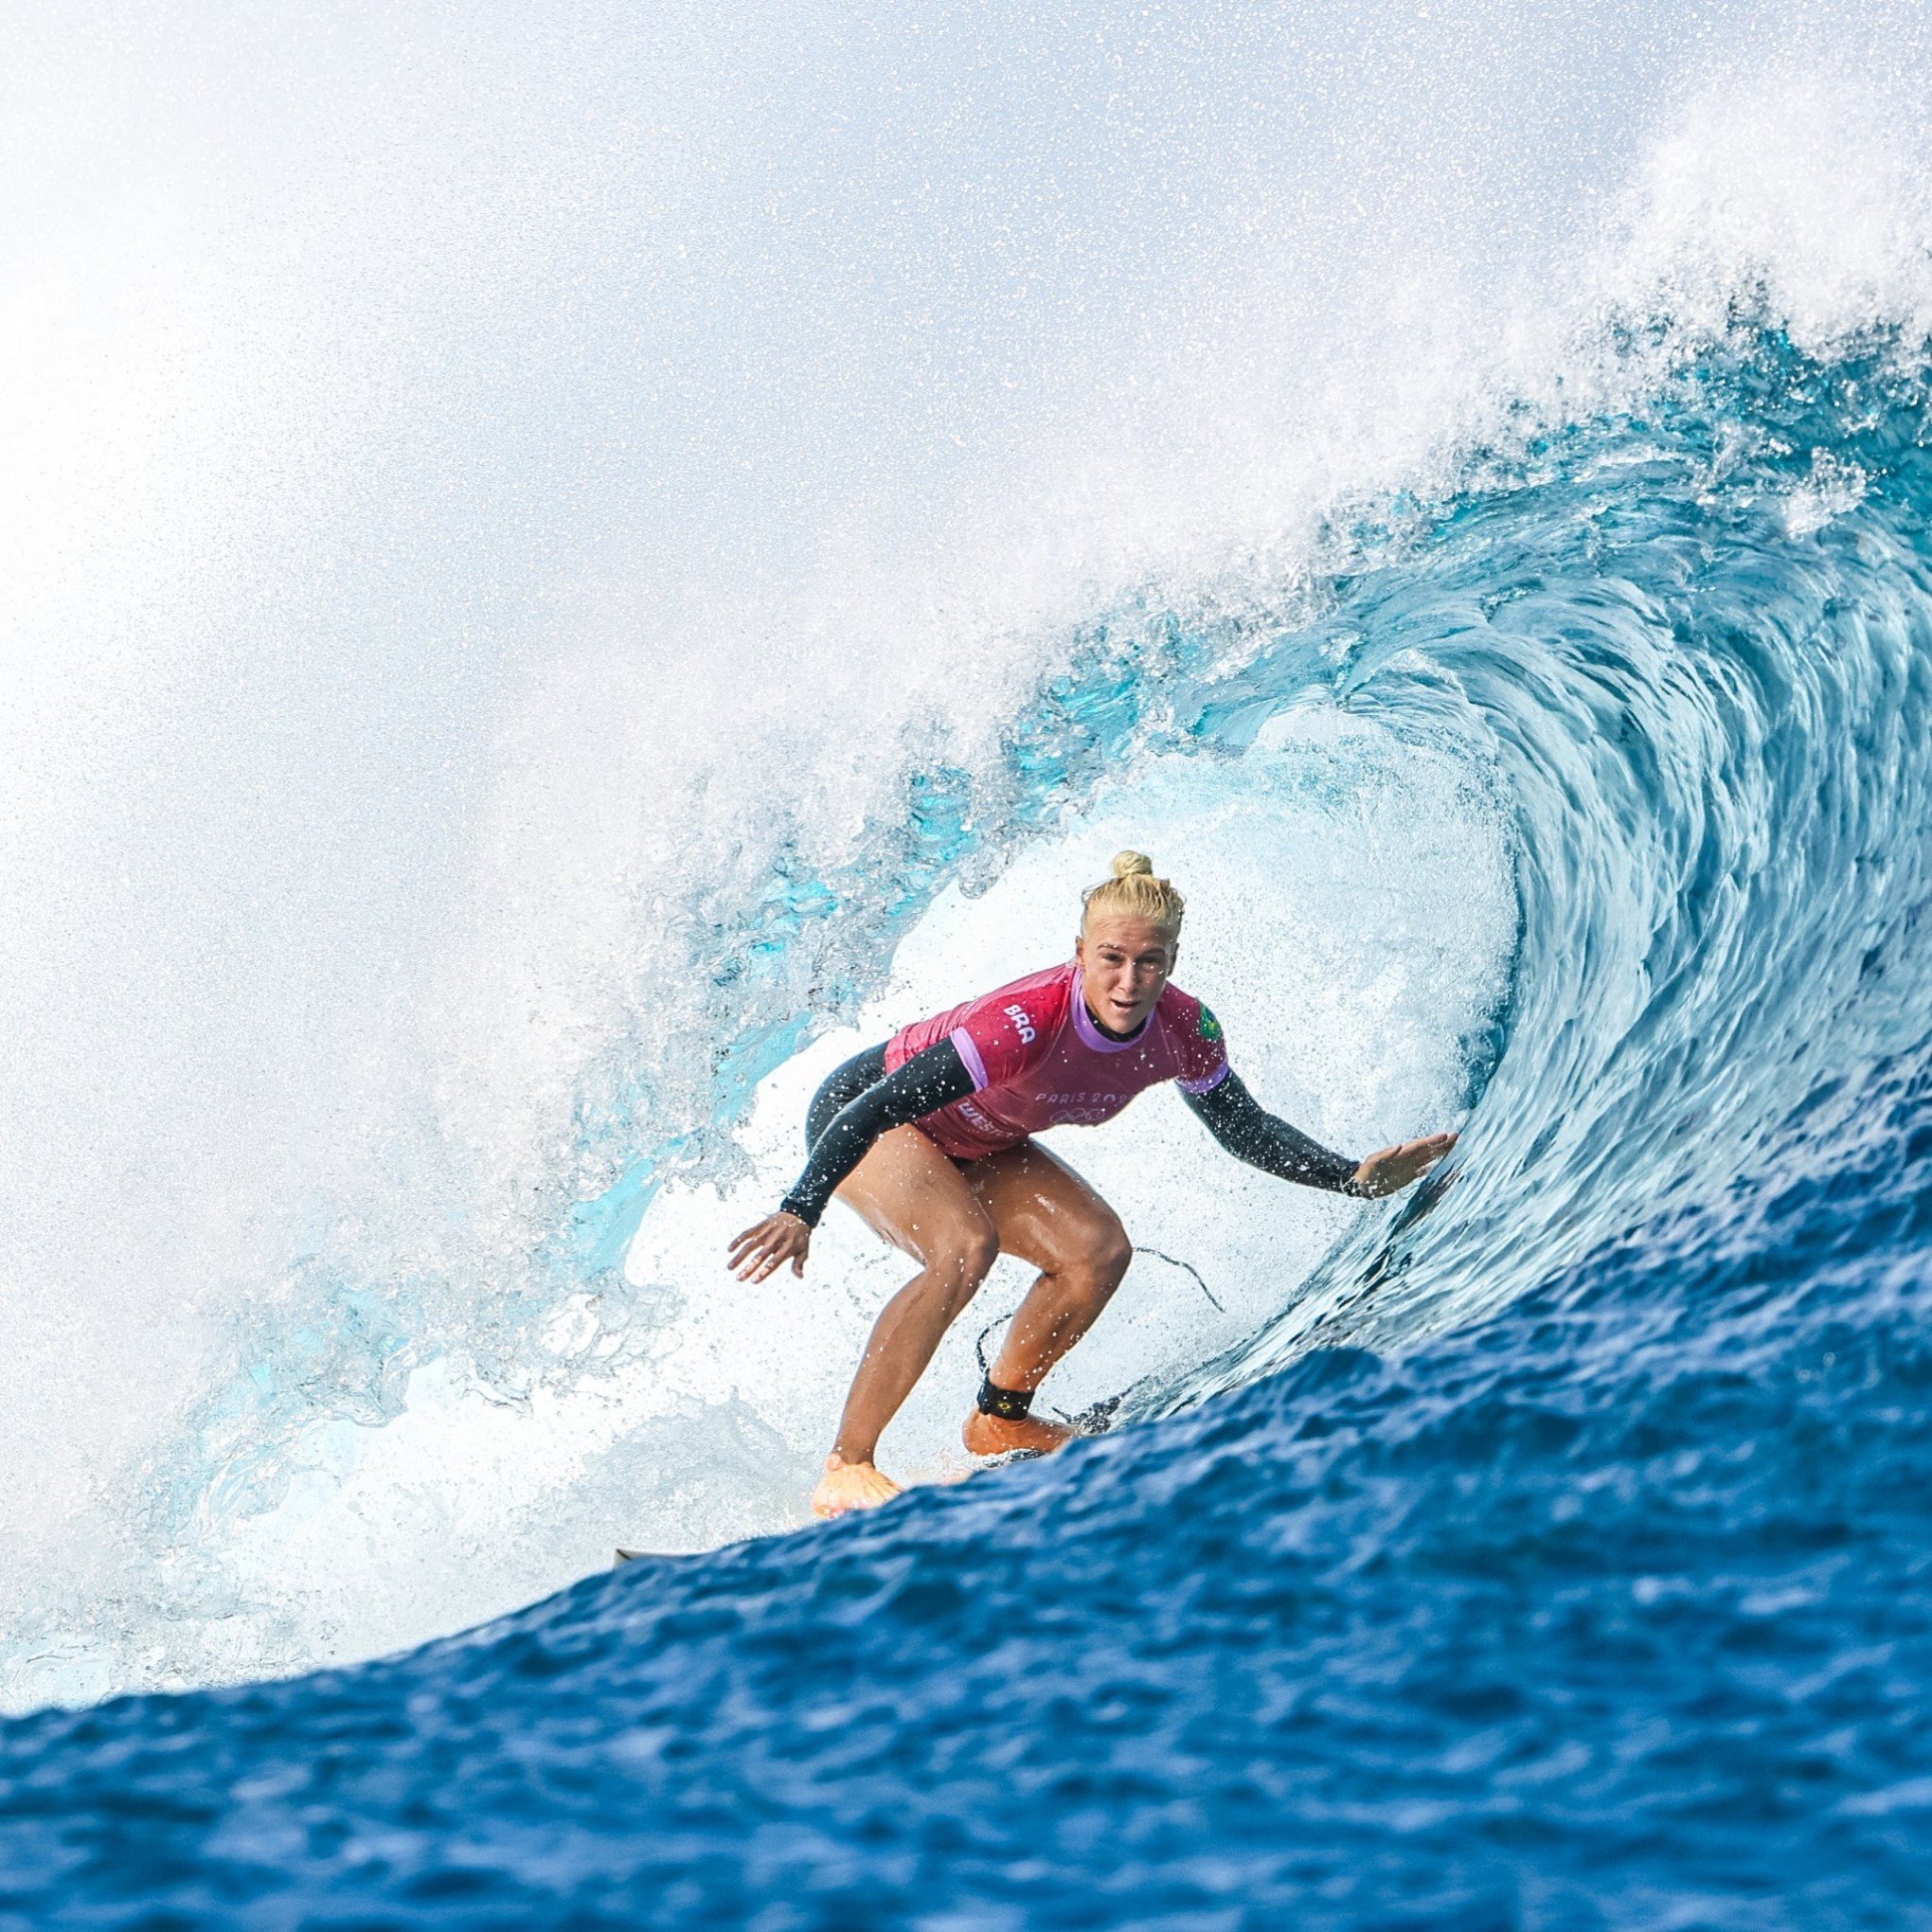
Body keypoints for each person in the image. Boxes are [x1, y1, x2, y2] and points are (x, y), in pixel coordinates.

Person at [728, 851, 1458, 1518]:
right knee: (964, 1247)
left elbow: (1243, 1127)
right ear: (1079, 954)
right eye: (1110, 959)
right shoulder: (1020, 1024)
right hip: (868, 1116)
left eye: (1150, 962)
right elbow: (876, 1105)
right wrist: (802, 1208)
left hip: (981, 1138)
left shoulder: (1184, 1028)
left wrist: (1353, 1179)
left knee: (1097, 1250)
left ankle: (1001, 1417)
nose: (1129, 981)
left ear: (1172, 963)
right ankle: (847, 1463)